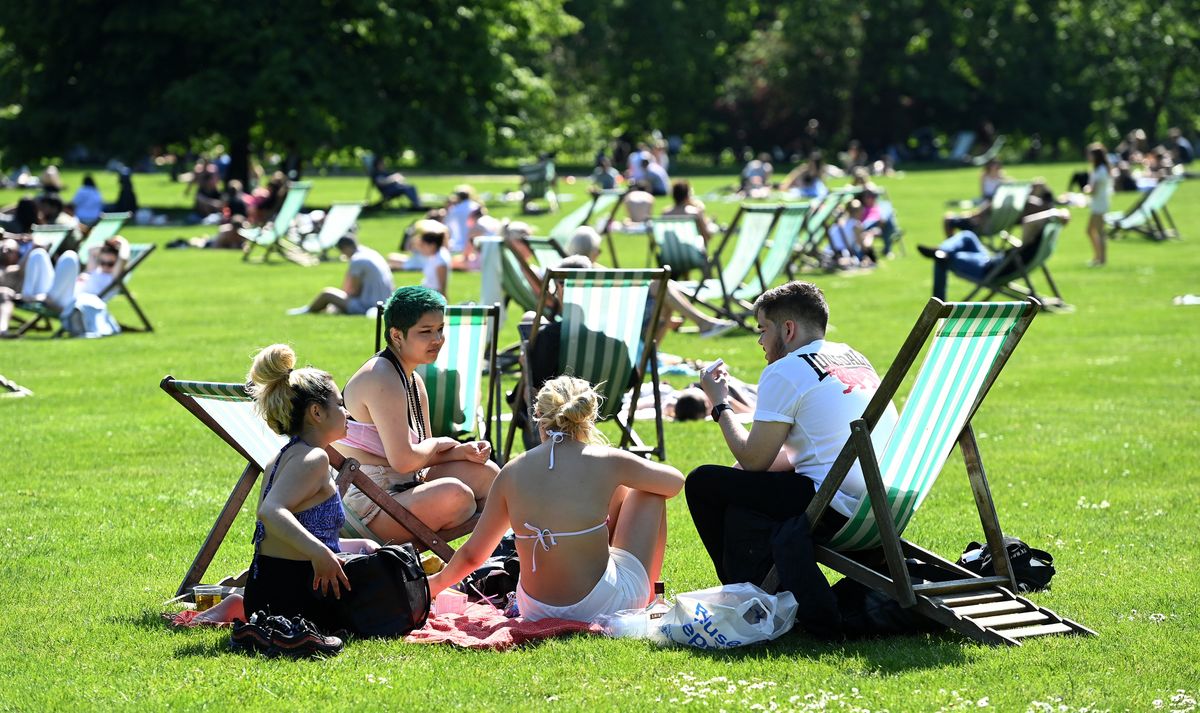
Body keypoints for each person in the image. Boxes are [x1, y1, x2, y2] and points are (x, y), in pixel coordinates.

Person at [684, 281, 898, 584]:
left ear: (787, 330)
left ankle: (745, 592)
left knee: (702, 482)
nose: (760, 341)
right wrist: (743, 473)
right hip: (884, 505)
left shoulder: (786, 369)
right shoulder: (852, 355)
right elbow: (823, 446)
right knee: (740, 489)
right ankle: (765, 582)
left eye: (762, 330)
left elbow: (754, 460)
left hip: (836, 506)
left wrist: (720, 402)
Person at [428, 376, 684, 622]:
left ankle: (610, 572)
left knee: (621, 488)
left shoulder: (513, 471)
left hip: (535, 607)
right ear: (588, 417)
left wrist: (435, 585)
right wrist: (623, 469)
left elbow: (473, 554)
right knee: (649, 490)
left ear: (538, 417)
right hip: (602, 604)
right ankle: (650, 598)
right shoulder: (607, 460)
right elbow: (674, 482)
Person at [335, 286, 498, 545]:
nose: (438, 339)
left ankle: (484, 564)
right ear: (396, 335)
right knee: (457, 497)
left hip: (403, 487)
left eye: (440, 329)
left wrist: (460, 452)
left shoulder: (413, 381)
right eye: (426, 332)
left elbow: (422, 458)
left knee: (489, 475)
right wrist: (438, 443)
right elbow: (404, 459)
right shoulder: (380, 377)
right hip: (367, 506)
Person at [241, 344, 378, 630]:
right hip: (295, 599)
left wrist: (357, 547)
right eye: (340, 404)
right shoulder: (313, 458)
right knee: (391, 598)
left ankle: (233, 604)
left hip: (266, 592)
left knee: (379, 563)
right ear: (316, 412)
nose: (346, 411)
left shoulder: (283, 457)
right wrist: (320, 553)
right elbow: (271, 512)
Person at [918, 207, 1070, 300]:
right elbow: (1031, 223)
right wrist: (1055, 214)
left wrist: (1052, 212)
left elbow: (1028, 221)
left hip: (988, 270)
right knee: (967, 236)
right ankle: (942, 250)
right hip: (990, 261)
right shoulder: (1036, 245)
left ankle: (938, 300)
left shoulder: (1028, 246)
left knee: (944, 259)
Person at [287, 236, 393, 316]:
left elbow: (354, 291)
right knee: (336, 299)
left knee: (327, 294)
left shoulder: (357, 260)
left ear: (345, 248)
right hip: (385, 302)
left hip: (368, 306)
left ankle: (308, 311)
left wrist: (339, 303)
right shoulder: (371, 253)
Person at [1083, 143, 1112, 267]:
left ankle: (1102, 259)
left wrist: (1086, 190)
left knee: (1099, 232)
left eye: (1090, 154)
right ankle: (1097, 257)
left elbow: (1094, 190)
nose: (1088, 157)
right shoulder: (1097, 169)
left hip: (1099, 204)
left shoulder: (1101, 171)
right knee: (1090, 231)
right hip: (1097, 203)